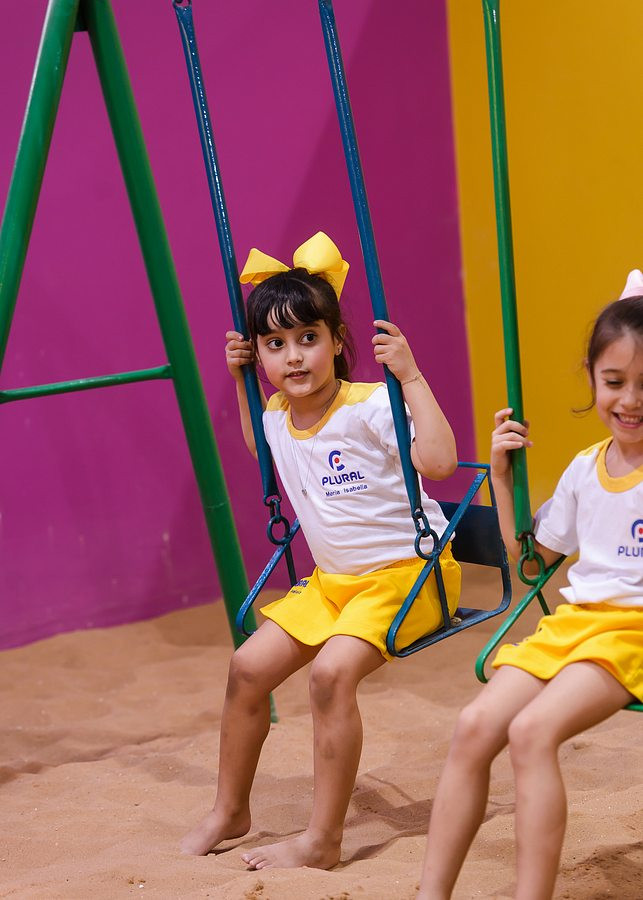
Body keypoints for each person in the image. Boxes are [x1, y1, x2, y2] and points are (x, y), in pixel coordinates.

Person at [181, 231, 460, 868]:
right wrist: (241, 382)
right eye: (275, 345)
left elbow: (441, 462)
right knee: (247, 668)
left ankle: (322, 840)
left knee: (331, 675)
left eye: (308, 337)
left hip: (408, 576)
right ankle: (230, 809)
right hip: (335, 584)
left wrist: (410, 376)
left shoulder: (371, 407)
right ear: (260, 356)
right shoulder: (277, 414)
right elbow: (261, 448)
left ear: (337, 341)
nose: (294, 356)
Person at [417, 272, 643, 900]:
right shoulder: (584, 469)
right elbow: (531, 565)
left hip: (632, 634)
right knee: (473, 726)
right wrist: (502, 478)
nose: (630, 400)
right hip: (576, 625)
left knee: (531, 732)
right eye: (615, 382)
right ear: (591, 378)